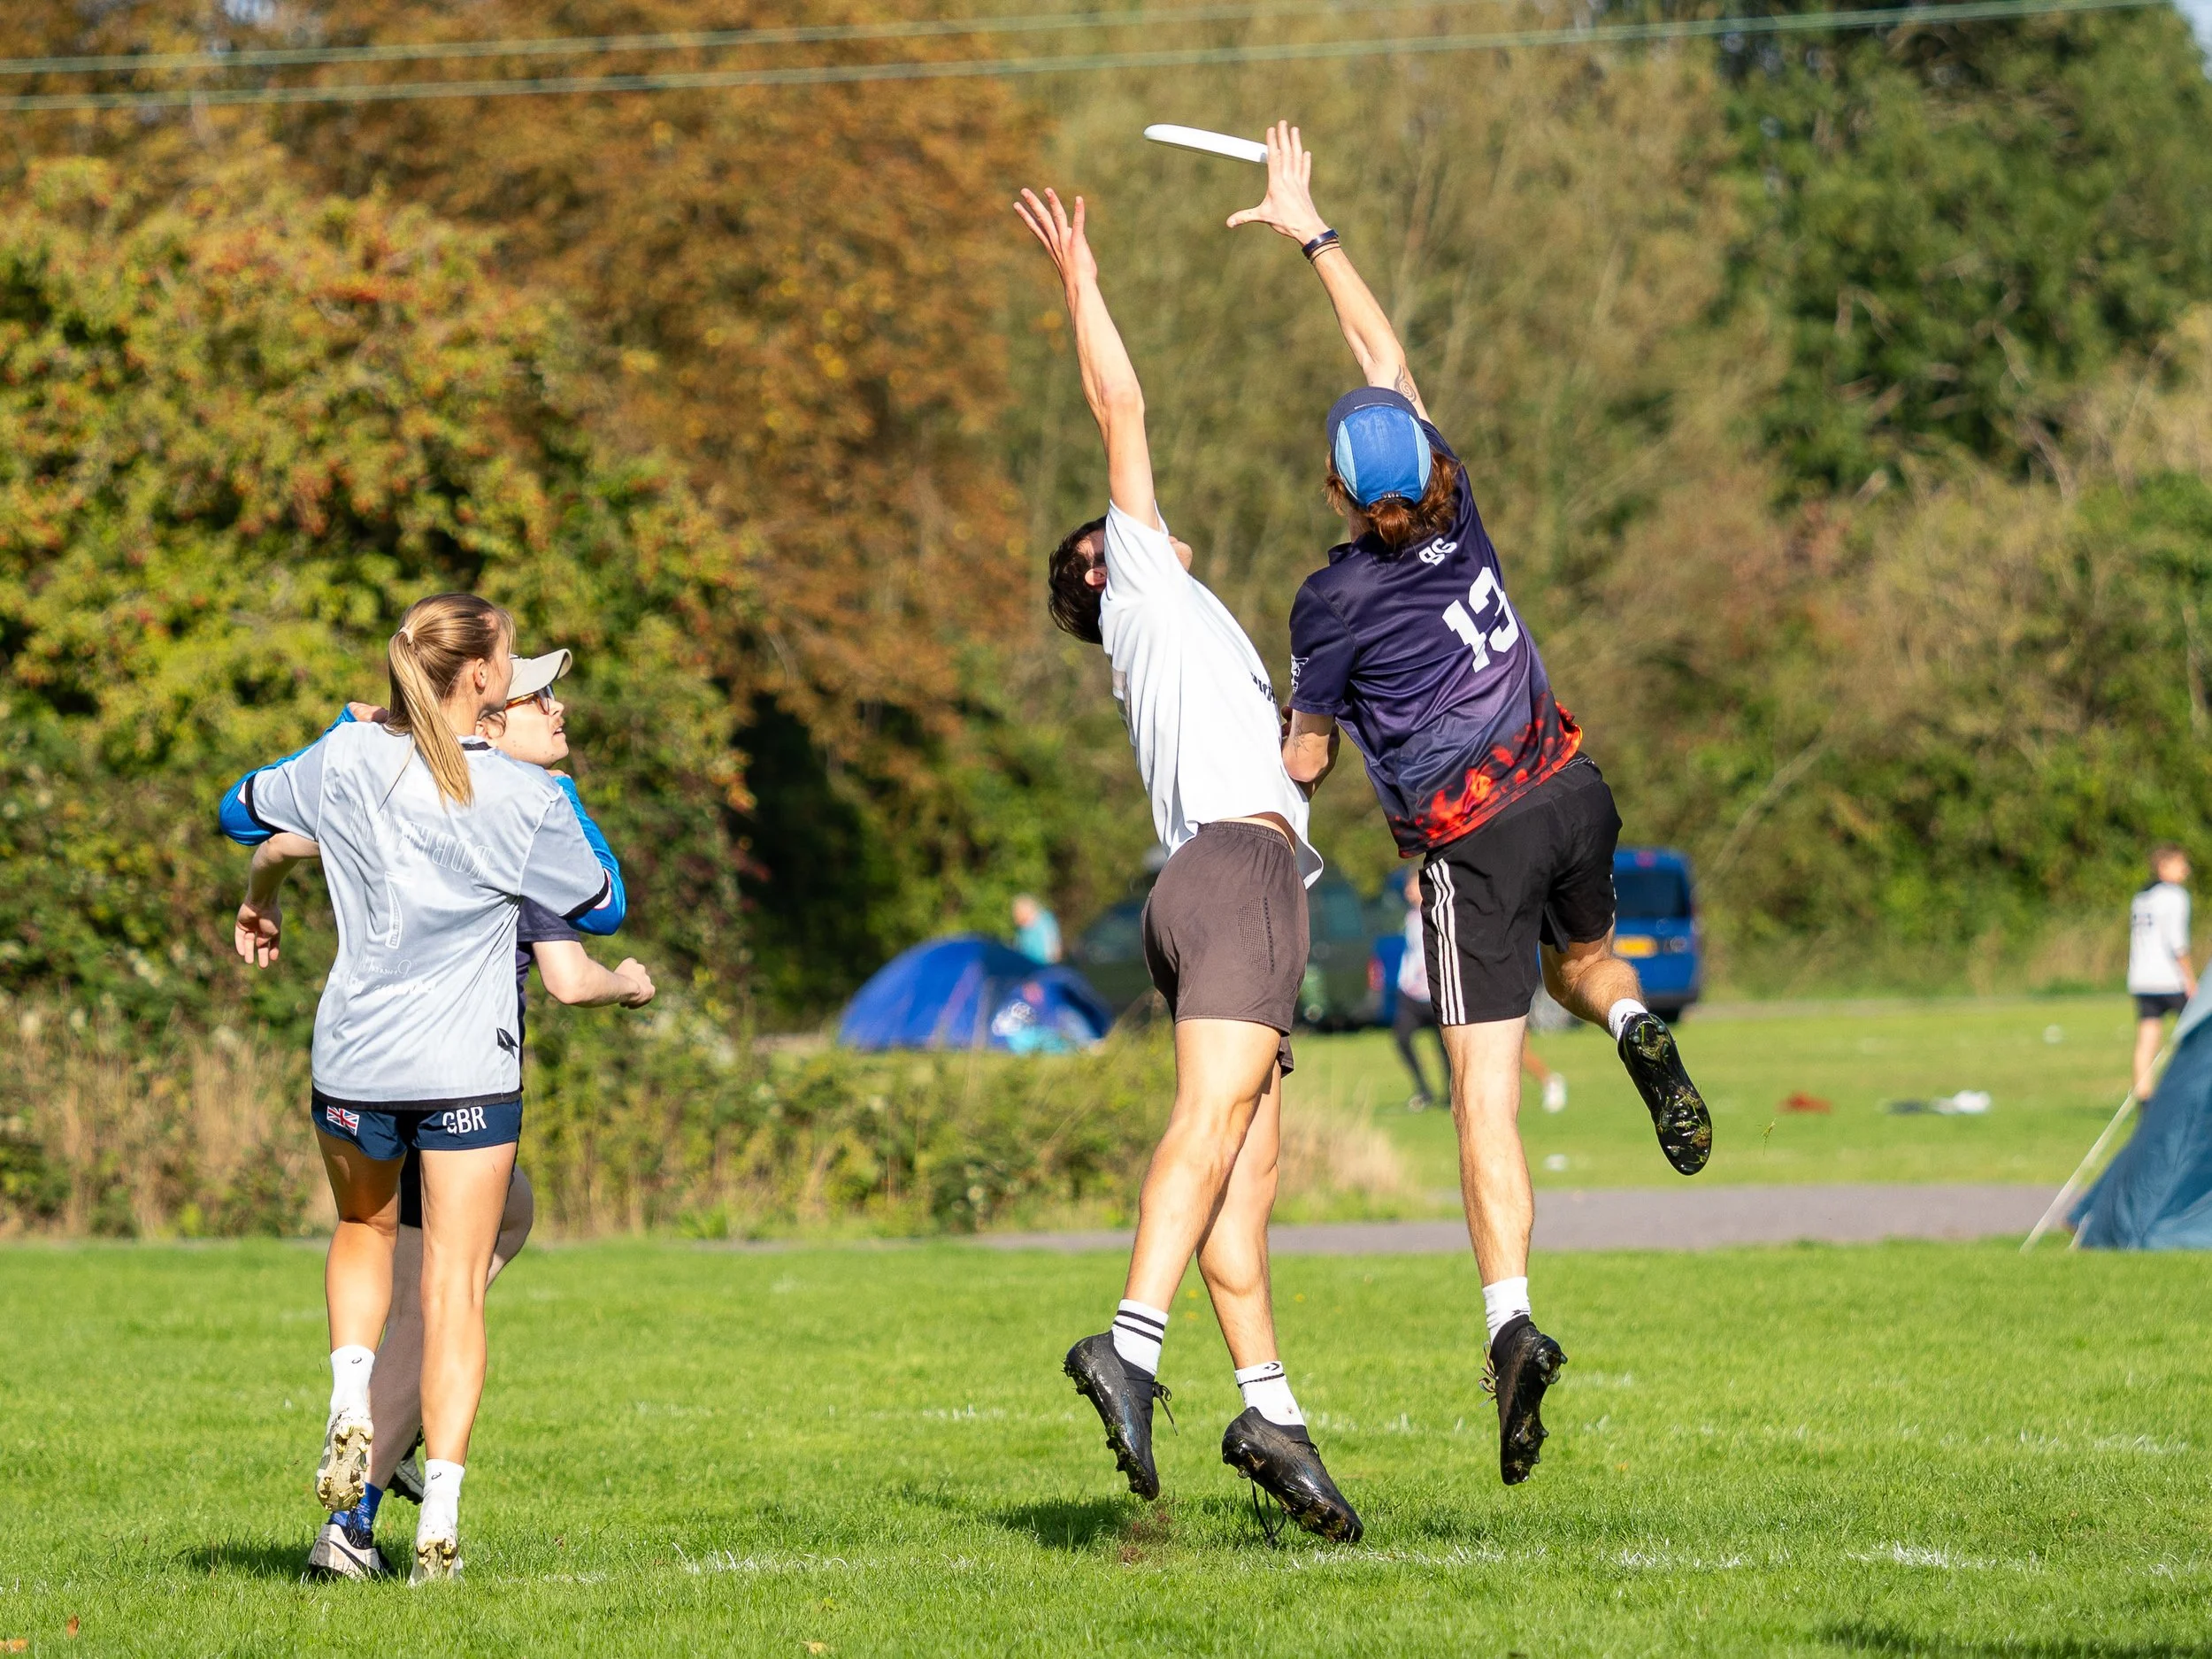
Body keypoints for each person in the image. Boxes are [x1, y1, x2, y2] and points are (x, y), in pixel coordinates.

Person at [1231, 123, 1710, 1488]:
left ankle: (1511, 1326)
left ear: (1338, 491)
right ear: (1424, 472)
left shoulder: (1332, 597)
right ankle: (1635, 1024)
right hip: (1573, 786)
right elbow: (1389, 368)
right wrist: (1315, 229)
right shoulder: (1461, 507)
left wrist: (1270, 730)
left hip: (1473, 846)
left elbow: (1311, 764)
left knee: (1480, 1099)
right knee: (1589, 965)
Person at [1017, 183, 1361, 1541]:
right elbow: (1124, 410)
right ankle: (1133, 1344)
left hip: (1212, 879)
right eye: (1119, 526)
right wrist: (1081, 282)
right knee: (1213, 1131)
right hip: (1235, 874)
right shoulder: (1145, 584)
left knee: (1247, 1168)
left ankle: (1269, 1408)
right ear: (1103, 570)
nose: (1142, 516)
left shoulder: (1178, 622)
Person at [227, 594, 648, 1584]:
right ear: (485, 693)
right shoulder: (522, 806)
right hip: (462, 1072)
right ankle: (391, 1511)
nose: (560, 714)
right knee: (449, 1293)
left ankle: (354, 1413)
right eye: (538, 693)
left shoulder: (354, 763)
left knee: (411, 1237)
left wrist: (267, 877)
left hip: (355, 1064)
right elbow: (603, 907)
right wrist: (556, 794)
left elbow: (256, 819)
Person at [1394, 869, 1564, 1114]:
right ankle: (1470, 1100)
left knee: (1515, 1051)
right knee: (1479, 1050)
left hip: (1494, 988)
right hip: (1441, 992)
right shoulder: (1415, 917)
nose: (1407, 891)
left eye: (1411, 885)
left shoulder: (1459, 913)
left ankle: (1550, 1082)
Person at [2130, 844, 2195, 1102]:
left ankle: (2144, 1099)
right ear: (2163, 866)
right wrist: (2190, 979)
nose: (2185, 870)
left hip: (2141, 978)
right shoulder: (2175, 896)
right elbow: (2177, 942)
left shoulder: (2142, 896)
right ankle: (2190, 1092)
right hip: (2169, 980)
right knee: (2197, 1037)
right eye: (2180, 864)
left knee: (2147, 1041)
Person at [1011, 893, 1064, 964]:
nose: (1016, 919)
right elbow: (1020, 947)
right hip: (1027, 964)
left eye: (1017, 914)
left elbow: (1052, 944)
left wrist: (1052, 961)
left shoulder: (1044, 921)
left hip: (1044, 964)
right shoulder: (1022, 928)